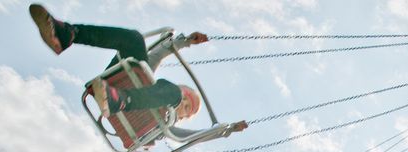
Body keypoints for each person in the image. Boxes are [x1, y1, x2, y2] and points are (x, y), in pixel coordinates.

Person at [27, 5, 248, 137]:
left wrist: (225, 130)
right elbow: (158, 54)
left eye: (187, 108)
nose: (184, 104)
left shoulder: (168, 126)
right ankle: (67, 34)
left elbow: (196, 136)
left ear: (184, 117)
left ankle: (121, 100)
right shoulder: (150, 83)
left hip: (138, 120)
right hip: (115, 86)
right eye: (187, 99)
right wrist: (186, 41)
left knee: (170, 94)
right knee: (133, 39)